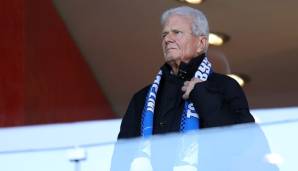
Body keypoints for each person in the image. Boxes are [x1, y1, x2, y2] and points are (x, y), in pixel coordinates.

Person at [118, 6, 255, 139]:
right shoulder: (141, 99)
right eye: (164, 34)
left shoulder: (224, 86)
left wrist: (202, 94)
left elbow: (243, 141)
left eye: (177, 32)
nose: (167, 39)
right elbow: (122, 157)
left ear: (201, 43)